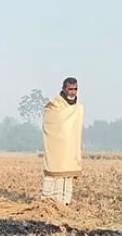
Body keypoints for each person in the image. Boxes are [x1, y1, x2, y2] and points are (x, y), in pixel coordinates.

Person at [41, 77, 84, 205]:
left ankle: (63, 203)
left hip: (70, 146)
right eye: (70, 89)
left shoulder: (77, 108)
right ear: (64, 89)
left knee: (67, 174)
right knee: (53, 174)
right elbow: (50, 122)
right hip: (56, 146)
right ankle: (47, 202)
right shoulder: (54, 105)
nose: (73, 92)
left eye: (75, 89)